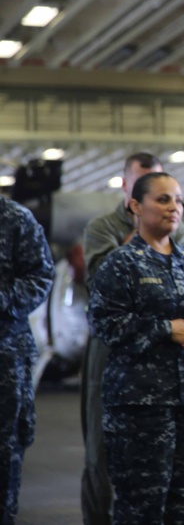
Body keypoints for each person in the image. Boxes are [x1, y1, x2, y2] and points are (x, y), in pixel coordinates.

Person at [88, 173, 184, 525]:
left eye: (177, 200)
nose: (173, 207)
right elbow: (103, 323)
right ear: (135, 206)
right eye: (162, 199)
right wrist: (165, 330)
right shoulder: (120, 265)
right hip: (139, 409)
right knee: (139, 510)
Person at [0, 196, 55, 525]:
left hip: (5, 356)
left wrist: (3, 299)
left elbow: (41, 277)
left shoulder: (15, 218)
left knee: (6, 447)